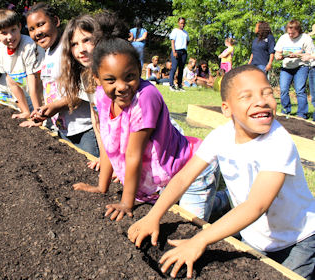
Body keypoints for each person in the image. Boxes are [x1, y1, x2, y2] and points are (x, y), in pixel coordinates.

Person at [128, 64, 315, 280]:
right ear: (227, 109)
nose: (261, 101)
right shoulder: (221, 136)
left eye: (267, 93)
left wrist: (200, 240)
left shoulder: (278, 142)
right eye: (247, 96)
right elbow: (183, 178)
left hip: (299, 238)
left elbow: (257, 205)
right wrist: (154, 216)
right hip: (256, 236)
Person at [73, 29, 219, 222]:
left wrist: (127, 203)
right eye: (111, 80)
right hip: (163, 178)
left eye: (129, 76)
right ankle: (217, 200)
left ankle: (220, 201)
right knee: (181, 206)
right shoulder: (102, 96)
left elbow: (134, 154)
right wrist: (102, 187)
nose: (122, 86)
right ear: (97, 78)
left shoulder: (144, 98)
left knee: (190, 224)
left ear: (139, 70)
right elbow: (109, 143)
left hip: (191, 171)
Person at [24, 3, 99, 157]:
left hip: (84, 130)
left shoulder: (69, 51)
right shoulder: (47, 53)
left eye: (41, 24)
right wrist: (42, 113)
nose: (37, 32)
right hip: (63, 129)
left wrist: (56, 106)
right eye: (31, 29)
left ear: (56, 21)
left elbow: (85, 89)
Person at [0, 8, 45, 118]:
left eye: (13, 30)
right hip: (32, 97)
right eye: (4, 33)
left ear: (19, 27)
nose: (10, 37)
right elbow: (11, 80)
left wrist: (37, 115)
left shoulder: (29, 46)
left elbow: (33, 81)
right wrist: (25, 111)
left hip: (46, 95)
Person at [275, 19, 314, 119]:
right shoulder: (283, 38)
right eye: (289, 33)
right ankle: (286, 111)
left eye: (293, 33)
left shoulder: (306, 38)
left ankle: (301, 114)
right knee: (283, 89)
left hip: (301, 66)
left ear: (298, 31)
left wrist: (298, 55)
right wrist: (279, 56)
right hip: (286, 67)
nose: (290, 35)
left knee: (300, 90)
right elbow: (277, 53)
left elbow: (311, 54)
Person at [169, 17, 189, 92]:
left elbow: (188, 41)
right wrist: (174, 51)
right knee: (174, 68)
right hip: (176, 51)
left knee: (181, 69)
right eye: (181, 23)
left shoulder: (185, 33)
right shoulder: (175, 31)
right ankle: (171, 84)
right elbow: (172, 41)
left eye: (183, 23)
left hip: (183, 52)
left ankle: (179, 85)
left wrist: (185, 48)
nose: (182, 24)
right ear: (178, 23)